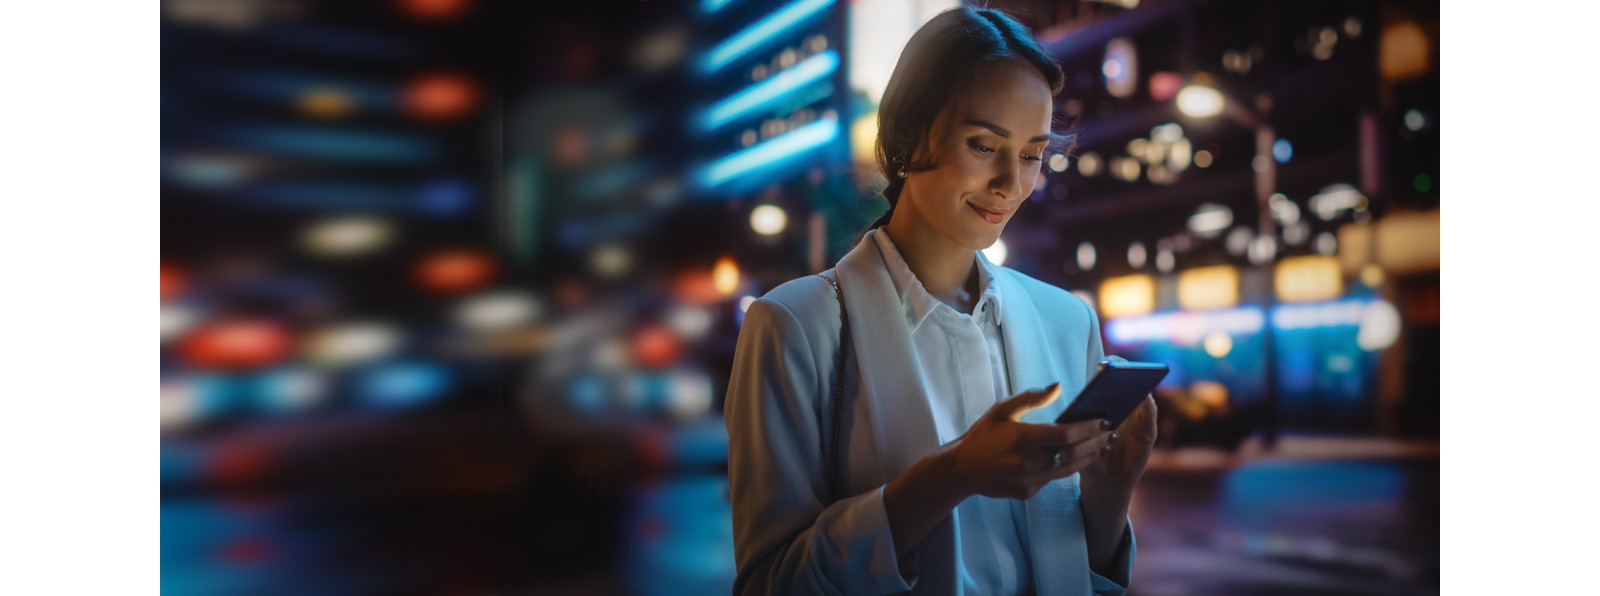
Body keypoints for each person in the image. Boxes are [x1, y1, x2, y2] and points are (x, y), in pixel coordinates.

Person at [724, 7, 1157, 595]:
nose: (1011, 183)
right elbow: (772, 583)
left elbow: (1081, 574)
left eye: (1032, 154)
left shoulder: (1067, 320)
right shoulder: (794, 325)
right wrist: (954, 472)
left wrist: (1109, 498)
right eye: (984, 145)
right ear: (908, 134)